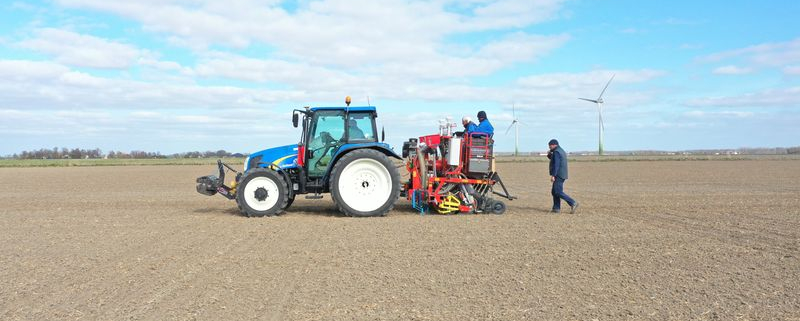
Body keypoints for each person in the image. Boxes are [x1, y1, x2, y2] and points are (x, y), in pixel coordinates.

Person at [548, 139, 578, 214]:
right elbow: (555, 159)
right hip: (562, 174)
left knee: (557, 191)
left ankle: (573, 203)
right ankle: (556, 208)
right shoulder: (560, 150)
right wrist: (550, 155)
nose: (549, 147)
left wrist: (553, 175)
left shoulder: (557, 152)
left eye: (550, 146)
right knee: (554, 191)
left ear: (554, 145)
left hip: (559, 174)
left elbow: (556, 164)